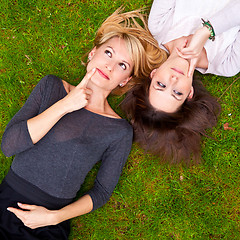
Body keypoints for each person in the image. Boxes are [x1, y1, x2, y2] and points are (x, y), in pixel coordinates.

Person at [0, 8, 166, 240]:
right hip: (6, 204)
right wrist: (66, 105)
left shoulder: (118, 131)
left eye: (122, 65)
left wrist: (54, 217)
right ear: (92, 53)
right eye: (108, 53)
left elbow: (102, 191)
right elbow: (9, 146)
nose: (110, 66)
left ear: (125, 80)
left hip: (49, 224)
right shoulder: (52, 87)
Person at [121, 0, 240, 163]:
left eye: (161, 85)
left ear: (153, 74)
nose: (173, 80)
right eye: (177, 93)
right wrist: (206, 31)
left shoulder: (159, 25)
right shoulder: (227, 63)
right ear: (189, 93)